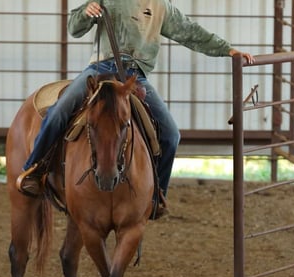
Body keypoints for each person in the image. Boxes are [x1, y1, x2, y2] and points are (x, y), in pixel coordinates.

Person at [16, 0, 255, 218]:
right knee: (59, 111)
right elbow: (74, 28)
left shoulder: (161, 6)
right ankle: (34, 169)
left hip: (135, 77)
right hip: (99, 69)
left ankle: (156, 195)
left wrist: (227, 49)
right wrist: (86, 12)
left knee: (171, 134)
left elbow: (191, 32)